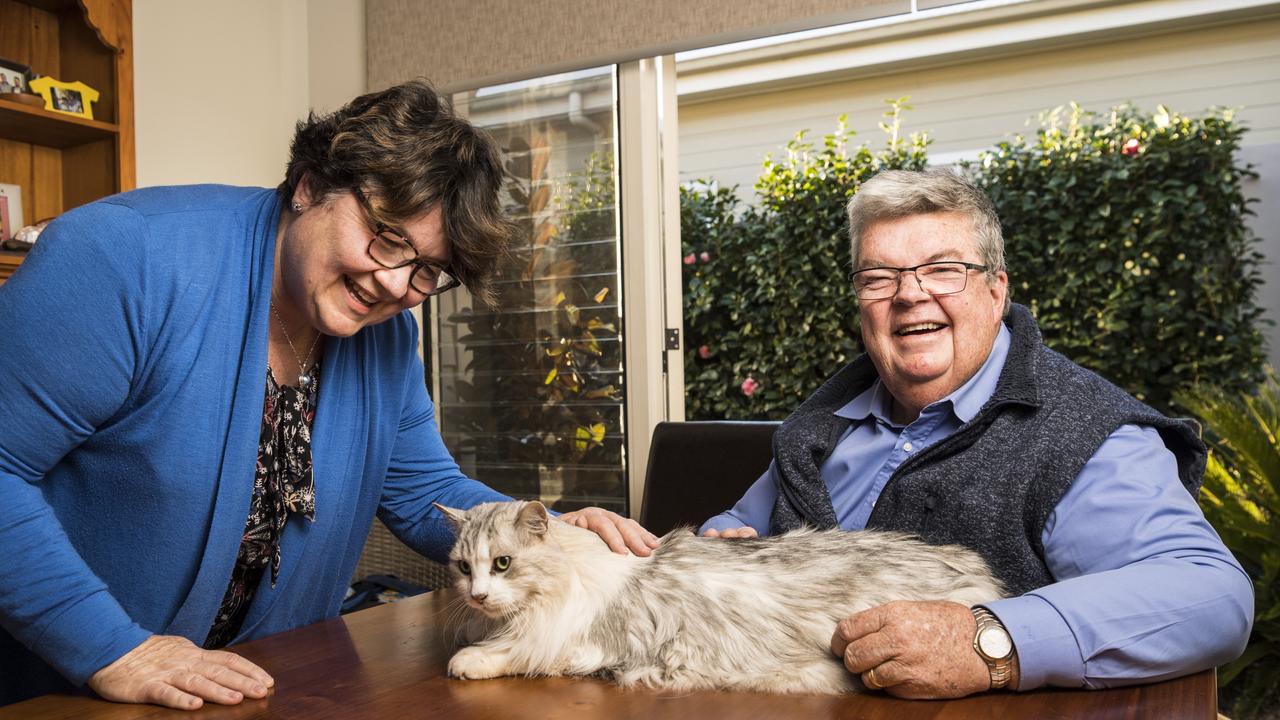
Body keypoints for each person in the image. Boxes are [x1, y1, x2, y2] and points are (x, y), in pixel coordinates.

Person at [0, 79, 657, 710]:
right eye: (389, 236)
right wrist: (116, 651)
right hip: (58, 691)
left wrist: (546, 534)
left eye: (428, 271)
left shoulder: (389, 335)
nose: (398, 285)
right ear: (310, 185)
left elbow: (421, 486)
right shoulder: (124, 259)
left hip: (256, 686)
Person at [700, 168, 1253, 698]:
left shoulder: (1083, 432)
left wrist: (992, 642)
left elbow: (1212, 596)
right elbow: (738, 528)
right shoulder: (822, 424)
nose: (909, 294)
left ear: (996, 291)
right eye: (878, 277)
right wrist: (719, 552)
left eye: (943, 270)